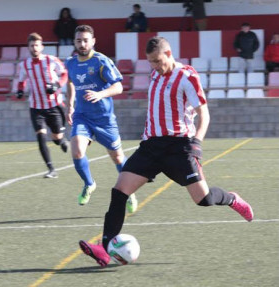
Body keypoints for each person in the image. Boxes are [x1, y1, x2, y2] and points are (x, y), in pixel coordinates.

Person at [78, 36, 254, 267]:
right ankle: (104, 247)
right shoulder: (154, 73)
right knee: (120, 191)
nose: (155, 66)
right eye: (151, 62)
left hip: (178, 147)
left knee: (203, 199)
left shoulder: (187, 76)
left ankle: (232, 198)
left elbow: (204, 113)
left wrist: (196, 144)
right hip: (151, 146)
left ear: (169, 54)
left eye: (158, 61)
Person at [65, 25, 138, 212]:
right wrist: (70, 105)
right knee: (77, 151)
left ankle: (129, 191)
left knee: (117, 157)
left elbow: (119, 87)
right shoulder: (71, 63)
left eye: (85, 40)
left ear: (93, 41)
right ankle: (89, 184)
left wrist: (101, 94)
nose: (82, 44)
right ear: (74, 42)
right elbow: (71, 83)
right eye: (79, 40)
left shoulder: (101, 61)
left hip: (104, 119)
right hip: (82, 116)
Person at [17, 32, 69, 178]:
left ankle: (62, 140)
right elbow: (21, 81)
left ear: (42, 47)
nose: (34, 48)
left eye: (37, 45)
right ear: (28, 47)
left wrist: (56, 85)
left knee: (57, 139)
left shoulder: (51, 60)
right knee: (40, 136)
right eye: (31, 45)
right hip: (36, 107)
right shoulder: (25, 65)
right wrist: (20, 90)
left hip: (54, 105)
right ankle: (51, 169)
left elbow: (64, 73)